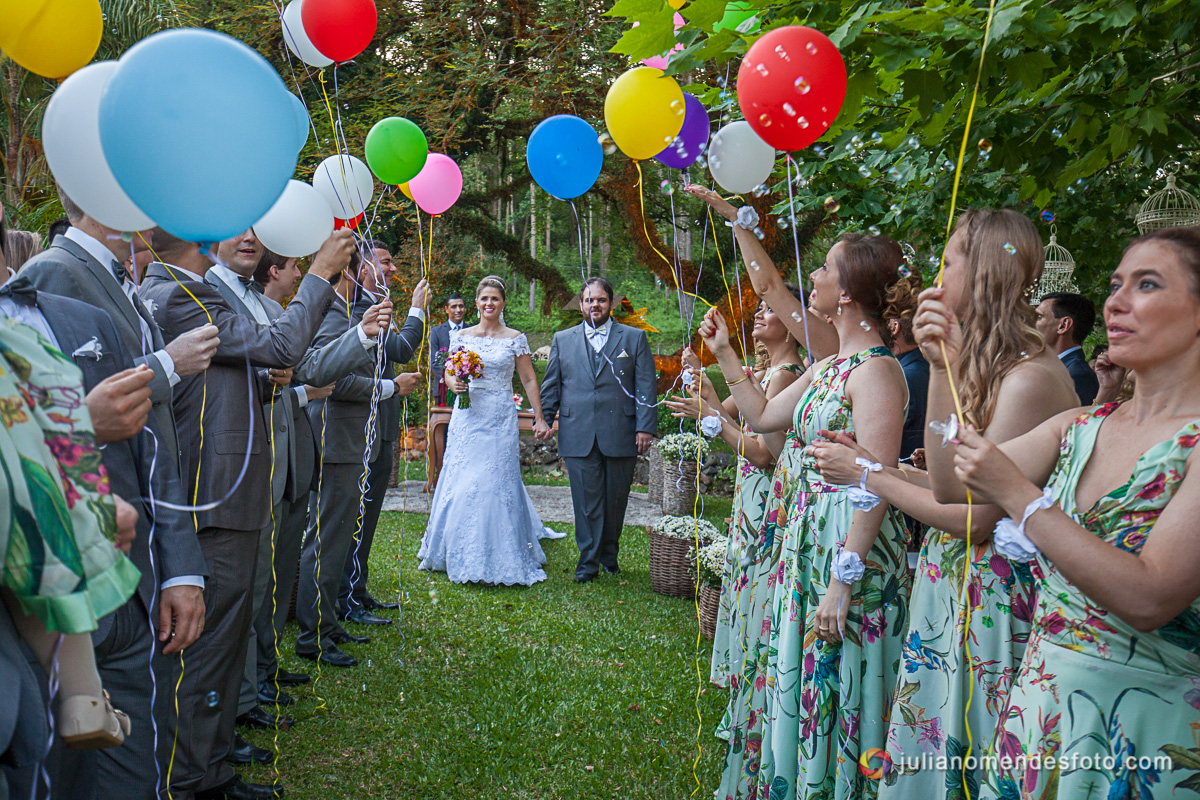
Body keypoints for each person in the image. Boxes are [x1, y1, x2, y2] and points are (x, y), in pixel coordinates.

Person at [920, 226, 1200, 799]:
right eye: (1117, 282)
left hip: (1144, 730)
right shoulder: (1081, 426)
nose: (1117, 300)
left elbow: (1149, 598)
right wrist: (943, 371)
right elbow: (956, 490)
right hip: (1039, 711)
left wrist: (1021, 496)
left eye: (1147, 285)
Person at [811, 210, 1079, 799]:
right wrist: (940, 368)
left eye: (951, 258)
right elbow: (944, 480)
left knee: (969, 760)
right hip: (952, 585)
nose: (938, 271)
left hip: (992, 597)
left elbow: (973, 515)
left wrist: (873, 476)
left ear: (982, 272)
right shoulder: (982, 364)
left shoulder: (1031, 378)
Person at [695, 212, 915, 799]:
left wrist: (844, 580)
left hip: (850, 549)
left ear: (844, 292)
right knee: (804, 668)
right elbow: (764, 416)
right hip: (806, 537)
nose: (811, 275)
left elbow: (878, 480)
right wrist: (722, 353)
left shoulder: (878, 373)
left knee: (843, 675)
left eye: (823, 268)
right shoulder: (826, 367)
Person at [3, 198, 209, 800]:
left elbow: (148, 445)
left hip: (132, 581)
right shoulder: (48, 271)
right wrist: (79, 423)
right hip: (34, 604)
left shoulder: (72, 312)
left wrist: (180, 568)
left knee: (133, 767)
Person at [141, 227, 349, 800]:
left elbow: (216, 387)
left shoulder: (189, 289)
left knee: (227, 641)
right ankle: (192, 780)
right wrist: (321, 272)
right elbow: (280, 345)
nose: (243, 233)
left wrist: (261, 381)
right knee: (206, 649)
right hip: (212, 498)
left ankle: (214, 766)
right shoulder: (178, 293)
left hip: (233, 492)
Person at [664, 292, 806, 691]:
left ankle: (755, 681)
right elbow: (725, 413)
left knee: (759, 583)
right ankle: (742, 676)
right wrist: (702, 379)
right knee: (746, 582)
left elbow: (763, 453)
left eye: (769, 309)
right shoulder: (763, 371)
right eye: (759, 309)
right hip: (750, 490)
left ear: (793, 325)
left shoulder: (786, 374)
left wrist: (709, 415)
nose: (760, 314)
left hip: (765, 489)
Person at [22, 187, 220, 466]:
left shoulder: (111, 273)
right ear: (102, 205)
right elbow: (60, 402)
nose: (154, 214)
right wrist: (170, 363)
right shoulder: (55, 270)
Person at [295, 251, 425, 667]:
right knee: (326, 541)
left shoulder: (356, 311)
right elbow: (328, 376)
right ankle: (312, 635)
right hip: (335, 442)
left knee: (336, 542)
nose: (390, 271)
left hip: (352, 441)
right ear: (353, 268)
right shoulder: (334, 312)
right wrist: (390, 387)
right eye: (380, 262)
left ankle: (328, 623)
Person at [418, 276, 556, 585]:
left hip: (498, 415)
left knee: (495, 479)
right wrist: (454, 383)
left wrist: (540, 417)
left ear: (503, 303)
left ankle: (501, 551)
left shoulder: (515, 338)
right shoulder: (463, 336)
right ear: (477, 303)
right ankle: (455, 547)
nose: (489, 304)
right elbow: (450, 373)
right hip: (467, 415)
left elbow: (529, 380)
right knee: (463, 476)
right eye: (484, 299)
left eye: (495, 299)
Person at [537, 277, 657, 582]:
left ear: (611, 304)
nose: (595, 305)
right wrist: (545, 418)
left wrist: (645, 427)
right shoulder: (563, 340)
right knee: (586, 501)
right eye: (589, 300)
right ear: (581, 305)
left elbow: (645, 386)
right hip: (577, 430)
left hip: (622, 430)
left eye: (601, 300)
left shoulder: (633, 339)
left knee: (616, 499)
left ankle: (609, 557)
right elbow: (552, 384)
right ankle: (587, 563)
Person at [336, 240, 421, 621]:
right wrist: (418, 308)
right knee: (352, 519)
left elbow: (397, 350)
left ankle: (358, 589)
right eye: (386, 263)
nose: (393, 270)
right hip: (356, 432)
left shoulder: (377, 309)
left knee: (368, 517)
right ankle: (343, 599)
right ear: (364, 267)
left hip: (382, 428)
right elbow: (402, 349)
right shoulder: (353, 311)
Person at [1034, 291, 1098, 404]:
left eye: (1039, 317)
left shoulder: (1077, 376)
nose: (1031, 323)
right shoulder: (1061, 367)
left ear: (1064, 325)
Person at [428, 291, 468, 407]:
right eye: (454, 307)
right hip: (443, 389)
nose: (458, 310)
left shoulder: (472, 331)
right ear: (446, 309)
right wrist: (451, 379)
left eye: (461, 306)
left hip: (467, 388)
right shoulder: (436, 332)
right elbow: (434, 362)